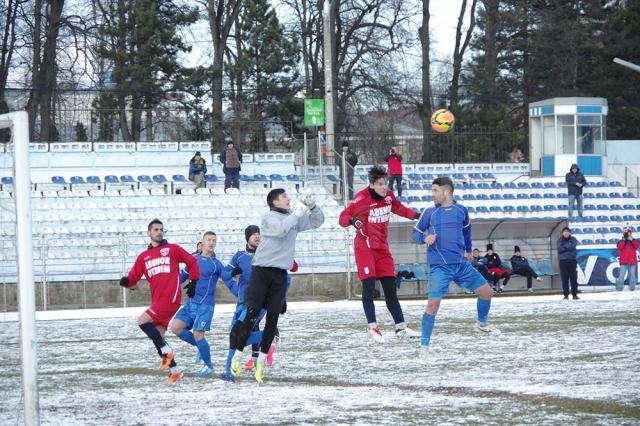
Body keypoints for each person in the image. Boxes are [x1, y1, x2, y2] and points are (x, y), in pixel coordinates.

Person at [228, 189, 324, 383]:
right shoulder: (268, 218)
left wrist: (313, 207)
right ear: (274, 201)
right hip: (261, 271)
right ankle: (238, 355)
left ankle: (261, 362)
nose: (288, 199)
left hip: (280, 273)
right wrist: (297, 213)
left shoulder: (293, 217)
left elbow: (317, 221)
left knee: (273, 319)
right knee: (251, 315)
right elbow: (281, 230)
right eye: (284, 197)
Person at [412, 176, 499, 364]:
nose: (432, 194)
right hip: (440, 267)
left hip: (461, 265)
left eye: (435, 190)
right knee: (433, 306)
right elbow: (415, 233)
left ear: (447, 192)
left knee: (487, 292)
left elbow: (467, 231)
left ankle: (481, 324)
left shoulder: (461, 210)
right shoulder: (429, 213)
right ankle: (424, 347)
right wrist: (424, 239)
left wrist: (468, 250)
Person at [339, 165, 420, 343]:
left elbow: (399, 208)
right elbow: (342, 218)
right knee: (369, 287)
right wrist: (353, 220)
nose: (385, 187)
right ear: (372, 185)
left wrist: (416, 215)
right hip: (365, 248)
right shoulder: (361, 199)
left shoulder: (389, 196)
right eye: (381, 184)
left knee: (390, 288)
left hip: (382, 247)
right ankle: (372, 327)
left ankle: (400, 327)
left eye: (386, 183)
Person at [119, 219, 200, 384]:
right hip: (158, 301)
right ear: (149, 233)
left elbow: (191, 261)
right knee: (158, 337)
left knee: (142, 321)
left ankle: (168, 352)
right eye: (155, 229)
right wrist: (126, 282)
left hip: (170, 298)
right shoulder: (144, 257)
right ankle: (175, 370)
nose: (159, 232)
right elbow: (134, 277)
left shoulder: (173, 249)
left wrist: (194, 281)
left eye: (161, 229)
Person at [170, 231, 235, 377]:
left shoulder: (216, 264)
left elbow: (228, 280)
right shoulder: (193, 260)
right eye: (209, 240)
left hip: (205, 306)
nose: (211, 243)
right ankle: (201, 347)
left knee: (198, 334)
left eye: (214, 240)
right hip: (190, 303)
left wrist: (240, 294)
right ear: (202, 242)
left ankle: (209, 366)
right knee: (176, 327)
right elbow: (181, 277)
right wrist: (168, 286)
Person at [557, 227, 579, 300]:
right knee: (564, 279)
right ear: (562, 233)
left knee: (574, 279)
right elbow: (560, 249)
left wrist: (565, 247)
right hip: (563, 262)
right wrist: (568, 247)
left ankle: (574, 295)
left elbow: (573, 246)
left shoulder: (573, 239)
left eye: (567, 231)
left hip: (572, 261)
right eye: (564, 231)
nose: (566, 233)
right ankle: (566, 295)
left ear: (569, 233)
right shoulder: (559, 240)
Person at [616, 227, 639, 292]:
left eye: (629, 233)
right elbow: (619, 247)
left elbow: (637, 246)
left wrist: (631, 239)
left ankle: (632, 289)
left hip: (632, 261)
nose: (628, 234)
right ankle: (620, 289)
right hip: (624, 261)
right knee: (621, 275)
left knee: (632, 276)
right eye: (626, 233)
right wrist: (624, 240)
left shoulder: (634, 240)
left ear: (631, 234)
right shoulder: (621, 241)